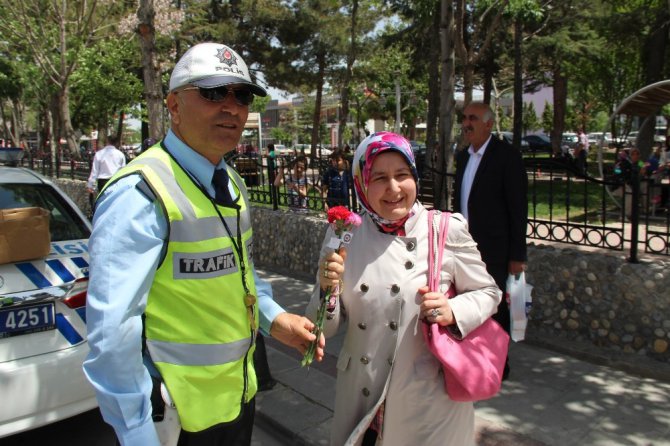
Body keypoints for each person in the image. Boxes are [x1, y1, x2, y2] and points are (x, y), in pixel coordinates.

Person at [83, 42, 324, 446]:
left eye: (241, 95)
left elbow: (239, 277)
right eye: (214, 93)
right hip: (178, 420)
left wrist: (273, 317)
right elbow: (111, 333)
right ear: (174, 105)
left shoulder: (231, 182)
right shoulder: (139, 193)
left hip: (235, 402)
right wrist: (138, 432)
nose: (231, 107)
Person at [307, 131, 501, 445]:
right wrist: (328, 289)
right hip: (363, 399)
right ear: (362, 182)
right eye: (380, 177)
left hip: (428, 404)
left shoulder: (444, 228)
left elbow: (489, 293)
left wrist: (454, 310)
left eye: (402, 175)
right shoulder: (343, 234)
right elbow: (322, 330)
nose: (394, 188)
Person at [454, 101, 528, 380]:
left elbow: (518, 209)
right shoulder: (463, 157)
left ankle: (498, 362)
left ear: (488, 123)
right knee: (469, 303)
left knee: (496, 307)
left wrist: (517, 256)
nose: (466, 123)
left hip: (495, 250)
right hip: (464, 248)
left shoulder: (506, 157)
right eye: (464, 118)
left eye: (472, 118)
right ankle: (473, 356)